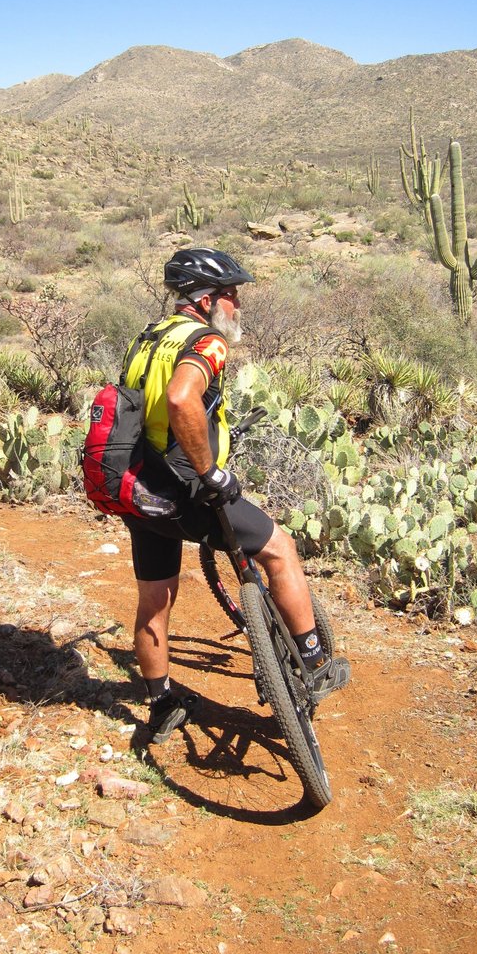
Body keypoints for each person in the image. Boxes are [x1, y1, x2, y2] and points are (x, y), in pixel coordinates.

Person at [121, 248, 350, 743]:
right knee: (279, 550)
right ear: (206, 301)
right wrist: (211, 473)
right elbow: (182, 399)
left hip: (141, 490)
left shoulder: (147, 339)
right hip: (187, 489)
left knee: (154, 600)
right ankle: (313, 664)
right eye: (231, 294)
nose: (237, 303)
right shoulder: (206, 342)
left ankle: (161, 704)